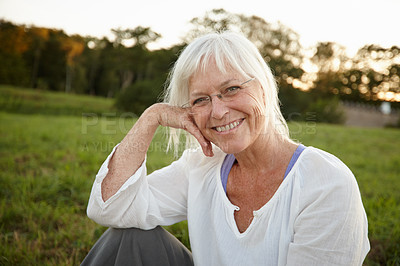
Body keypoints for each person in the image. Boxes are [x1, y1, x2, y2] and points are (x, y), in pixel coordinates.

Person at [82, 31, 370, 266]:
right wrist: (151, 117)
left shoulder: (328, 184)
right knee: (131, 239)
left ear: (264, 89)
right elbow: (111, 207)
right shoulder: (201, 166)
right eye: (200, 100)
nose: (218, 111)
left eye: (231, 89)